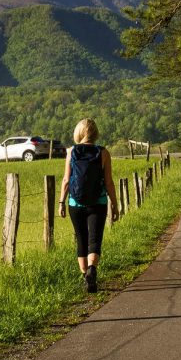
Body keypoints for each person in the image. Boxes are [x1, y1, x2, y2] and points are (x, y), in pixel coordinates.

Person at [59, 118, 119, 293]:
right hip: (98, 203)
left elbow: (65, 180)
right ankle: (92, 269)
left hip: (75, 203)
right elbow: (108, 182)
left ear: (79, 133)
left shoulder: (71, 152)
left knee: (81, 239)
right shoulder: (103, 153)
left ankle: (86, 275)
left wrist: (61, 202)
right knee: (95, 239)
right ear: (95, 133)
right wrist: (115, 204)